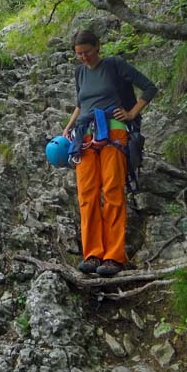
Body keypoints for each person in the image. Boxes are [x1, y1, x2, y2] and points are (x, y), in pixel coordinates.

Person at [62, 30, 157, 276]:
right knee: (87, 194)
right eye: (79, 54)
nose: (84, 57)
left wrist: (132, 113)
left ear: (98, 47)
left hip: (114, 133)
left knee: (113, 191)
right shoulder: (80, 72)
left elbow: (148, 88)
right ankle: (92, 255)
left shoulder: (114, 65)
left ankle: (114, 257)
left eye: (87, 52)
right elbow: (81, 104)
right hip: (84, 136)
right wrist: (70, 125)